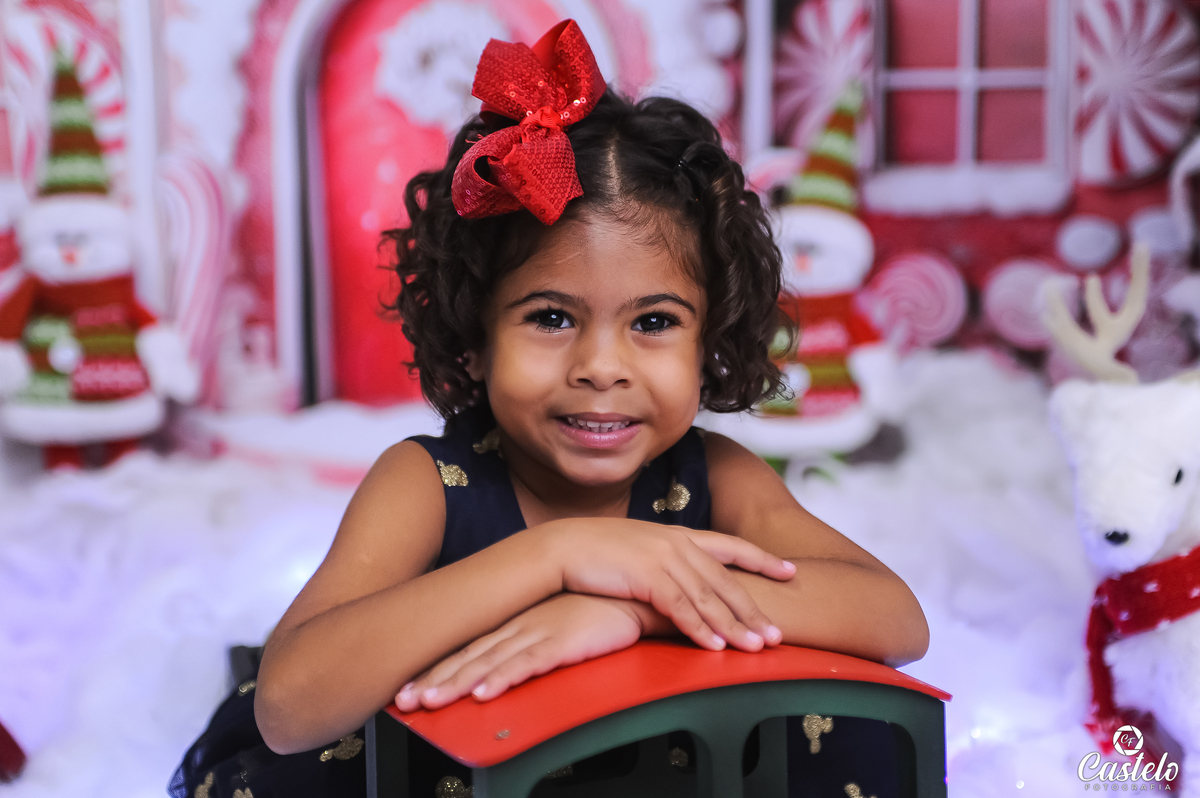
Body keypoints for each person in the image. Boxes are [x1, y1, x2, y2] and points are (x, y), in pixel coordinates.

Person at [172, 20, 928, 798]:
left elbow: (896, 619)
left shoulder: (716, 477)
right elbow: (290, 708)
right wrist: (557, 557)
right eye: (552, 317)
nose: (601, 367)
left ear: (709, 340)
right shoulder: (427, 485)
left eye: (653, 322)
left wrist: (633, 607)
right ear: (475, 336)